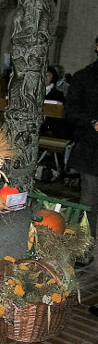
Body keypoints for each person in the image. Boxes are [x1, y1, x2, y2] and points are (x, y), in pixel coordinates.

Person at [64, 35, 98, 264]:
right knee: (89, 201)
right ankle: (84, 250)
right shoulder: (84, 77)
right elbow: (71, 111)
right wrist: (93, 122)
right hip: (92, 149)